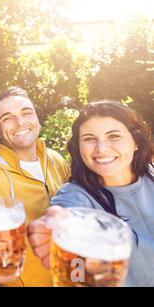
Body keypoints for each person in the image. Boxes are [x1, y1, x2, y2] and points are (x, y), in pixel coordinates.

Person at [28, 100, 154, 287]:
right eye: (89, 138)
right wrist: (71, 259)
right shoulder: (74, 197)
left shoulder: (151, 174)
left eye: (113, 136)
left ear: (135, 142)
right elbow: (76, 271)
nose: (101, 149)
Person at [0, 86, 70, 286]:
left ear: (36, 118)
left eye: (27, 113)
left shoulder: (56, 159)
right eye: (7, 118)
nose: (20, 122)